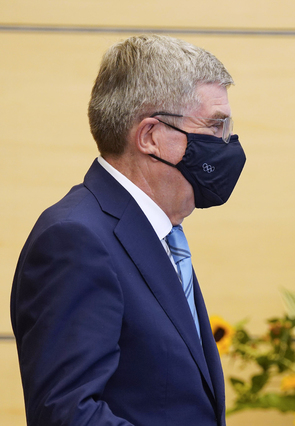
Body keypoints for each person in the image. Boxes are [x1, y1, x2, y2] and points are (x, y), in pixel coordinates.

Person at [11, 35, 245, 425]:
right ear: (152, 137)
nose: (229, 143)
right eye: (216, 126)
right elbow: (67, 415)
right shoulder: (75, 240)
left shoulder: (159, 233)